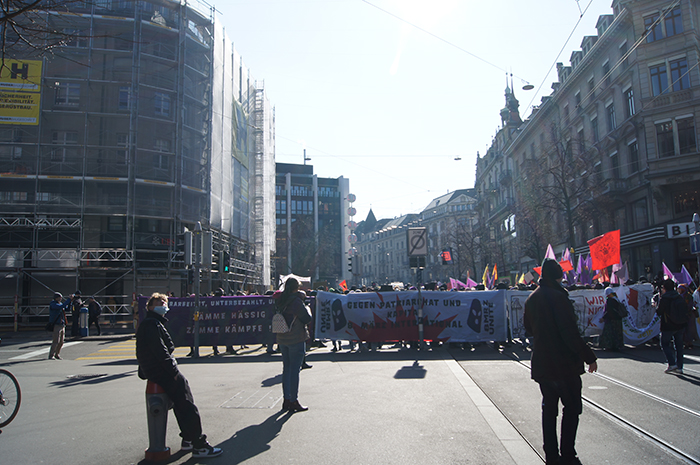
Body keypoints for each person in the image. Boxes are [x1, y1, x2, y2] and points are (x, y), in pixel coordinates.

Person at [524, 258, 598, 465]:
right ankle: (567, 452)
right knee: (572, 408)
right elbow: (569, 332)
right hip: (564, 363)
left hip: (542, 361)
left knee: (549, 409)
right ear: (558, 277)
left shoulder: (532, 298)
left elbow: (528, 328)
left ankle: (550, 453)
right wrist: (588, 356)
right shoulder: (559, 297)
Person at [136, 293, 222, 458]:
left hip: (157, 371)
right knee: (187, 405)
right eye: (159, 302)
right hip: (164, 372)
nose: (163, 304)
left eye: (165, 301)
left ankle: (189, 439)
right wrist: (173, 372)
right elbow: (160, 351)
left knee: (181, 404)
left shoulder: (152, 323)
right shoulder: (152, 324)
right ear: (150, 307)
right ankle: (199, 444)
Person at [274, 278, 312, 412]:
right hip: (296, 337)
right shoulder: (296, 301)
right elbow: (307, 318)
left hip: (282, 336)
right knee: (295, 371)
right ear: (297, 288)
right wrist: (307, 307)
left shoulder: (280, 300)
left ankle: (286, 399)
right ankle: (294, 400)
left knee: (286, 369)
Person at [656, 279, 686, 374]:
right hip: (680, 325)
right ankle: (680, 366)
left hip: (668, 325)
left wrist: (656, 306)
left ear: (664, 288)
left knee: (665, 344)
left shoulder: (664, 299)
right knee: (679, 346)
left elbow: (659, 312)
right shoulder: (679, 297)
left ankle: (672, 363)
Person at [48, 292, 70, 360]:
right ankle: (51, 354)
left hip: (61, 324)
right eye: (59, 297)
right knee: (56, 341)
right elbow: (62, 306)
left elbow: (66, 308)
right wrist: (68, 299)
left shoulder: (60, 304)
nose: (61, 299)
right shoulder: (53, 304)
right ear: (56, 298)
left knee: (61, 341)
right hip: (56, 325)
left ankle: (57, 354)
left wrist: (70, 302)